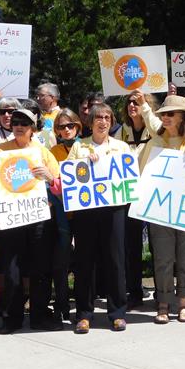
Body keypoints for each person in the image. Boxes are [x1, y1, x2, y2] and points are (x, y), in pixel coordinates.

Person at [0, 108, 62, 333]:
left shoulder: (42, 152)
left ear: (33, 128)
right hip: (11, 217)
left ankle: (39, 316)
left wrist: (50, 178)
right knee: (11, 269)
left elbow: (60, 186)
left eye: (24, 123)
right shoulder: (1, 150)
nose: (19, 126)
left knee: (41, 269)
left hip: (39, 219)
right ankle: (12, 318)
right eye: (15, 122)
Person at [139, 95, 185, 324]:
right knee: (163, 258)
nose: (165, 118)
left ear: (183, 117)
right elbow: (142, 175)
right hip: (161, 208)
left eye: (170, 114)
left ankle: (184, 304)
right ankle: (163, 304)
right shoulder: (154, 143)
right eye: (163, 114)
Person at [65, 103, 130, 333]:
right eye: (98, 118)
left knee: (115, 260)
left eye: (107, 117)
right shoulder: (79, 146)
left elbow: (129, 177)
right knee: (85, 262)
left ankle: (117, 313)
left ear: (111, 122)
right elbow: (69, 174)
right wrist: (84, 164)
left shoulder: (121, 147)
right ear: (90, 122)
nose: (103, 121)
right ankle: (84, 314)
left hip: (114, 210)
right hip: (86, 212)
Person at [115, 90, 160, 308]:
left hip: (152, 192)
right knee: (131, 246)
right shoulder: (122, 131)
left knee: (157, 245)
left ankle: (162, 292)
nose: (133, 105)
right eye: (130, 103)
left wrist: (145, 107)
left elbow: (159, 132)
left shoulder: (154, 127)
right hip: (129, 194)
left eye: (137, 102)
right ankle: (134, 292)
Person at [49, 108, 82, 320]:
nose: (67, 129)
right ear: (57, 130)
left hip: (83, 214)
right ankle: (62, 304)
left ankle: (82, 305)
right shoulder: (52, 152)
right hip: (61, 215)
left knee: (83, 263)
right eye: (62, 127)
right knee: (60, 262)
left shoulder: (86, 147)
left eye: (71, 125)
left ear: (77, 126)